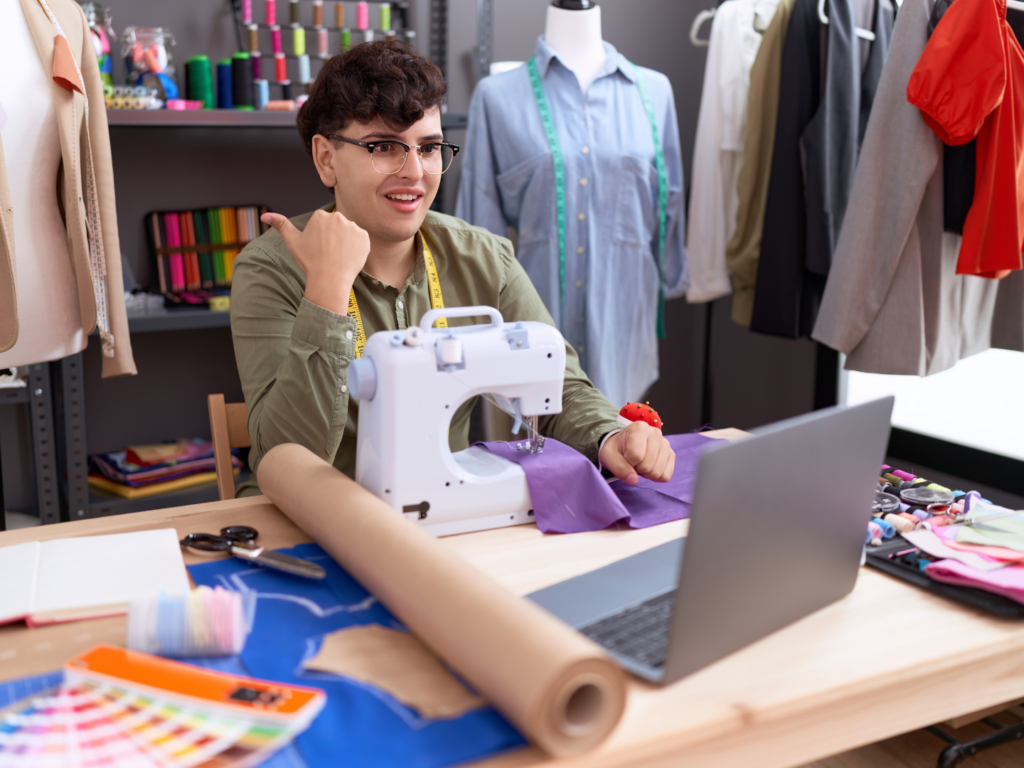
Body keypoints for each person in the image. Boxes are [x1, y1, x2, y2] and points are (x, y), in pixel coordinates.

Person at [231, 40, 675, 497]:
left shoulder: (483, 258)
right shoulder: (271, 269)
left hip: (438, 511)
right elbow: (284, 457)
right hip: (312, 520)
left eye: (428, 148)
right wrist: (326, 291)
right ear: (327, 158)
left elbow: (559, 383)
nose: (414, 172)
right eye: (384, 146)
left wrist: (610, 435)